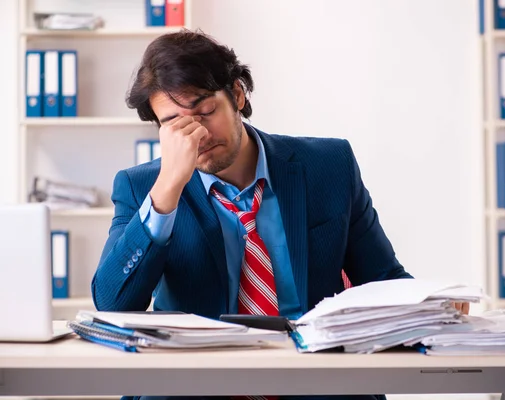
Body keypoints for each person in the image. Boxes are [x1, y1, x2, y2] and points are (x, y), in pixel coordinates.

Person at [91, 29, 467, 400]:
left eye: (206, 111)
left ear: (237, 95)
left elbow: (380, 277)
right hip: (196, 385)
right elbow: (112, 304)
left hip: (316, 379)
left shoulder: (328, 166)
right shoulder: (143, 188)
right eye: (175, 123)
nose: (198, 134)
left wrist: (432, 305)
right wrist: (166, 192)